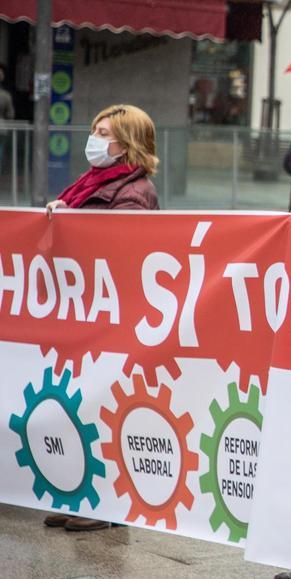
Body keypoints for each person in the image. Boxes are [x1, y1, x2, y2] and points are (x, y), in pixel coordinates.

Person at [43, 104, 159, 532]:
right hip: (88, 310)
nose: (95, 139)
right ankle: (82, 496)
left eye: (104, 132)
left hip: (113, 315)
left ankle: (106, 506)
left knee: (104, 407)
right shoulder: (91, 184)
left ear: (126, 143)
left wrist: (77, 226)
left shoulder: (134, 192)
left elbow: (121, 250)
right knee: (81, 404)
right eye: (95, 128)